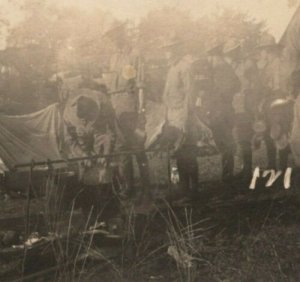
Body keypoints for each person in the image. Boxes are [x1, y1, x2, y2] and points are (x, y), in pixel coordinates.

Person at [104, 23, 150, 201]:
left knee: (138, 148)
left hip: (130, 103)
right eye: (109, 37)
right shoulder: (113, 57)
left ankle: (146, 188)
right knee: (122, 149)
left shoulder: (134, 54)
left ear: (121, 34)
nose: (112, 40)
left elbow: (140, 85)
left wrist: (141, 109)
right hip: (116, 105)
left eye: (114, 36)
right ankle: (128, 187)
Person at [161, 37, 200, 200]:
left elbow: (190, 94)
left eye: (170, 48)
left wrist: (185, 118)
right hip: (172, 115)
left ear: (177, 50)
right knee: (178, 153)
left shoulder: (185, 67)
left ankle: (194, 191)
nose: (167, 52)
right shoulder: (172, 69)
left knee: (188, 153)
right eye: (166, 49)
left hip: (184, 115)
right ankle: (183, 189)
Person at [223, 38, 262, 182]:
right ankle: (242, 168)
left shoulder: (248, 64)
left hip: (246, 105)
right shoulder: (230, 66)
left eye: (234, 50)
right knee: (237, 138)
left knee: (244, 138)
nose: (233, 54)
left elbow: (255, 84)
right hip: (233, 105)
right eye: (230, 52)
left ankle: (247, 170)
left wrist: (253, 102)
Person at [203, 39, 241, 183]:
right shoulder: (225, 67)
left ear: (213, 55)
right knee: (224, 143)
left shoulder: (219, 69)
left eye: (209, 55)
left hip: (220, 110)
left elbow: (223, 90)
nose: (208, 59)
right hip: (224, 109)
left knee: (224, 144)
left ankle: (227, 177)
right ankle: (227, 175)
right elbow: (237, 85)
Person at [256, 33, 288, 169]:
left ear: (268, 50)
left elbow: (277, 86)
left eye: (263, 50)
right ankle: (273, 166)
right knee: (270, 134)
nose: (262, 53)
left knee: (278, 133)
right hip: (270, 102)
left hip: (277, 102)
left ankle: (281, 166)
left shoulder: (277, 64)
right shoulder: (268, 65)